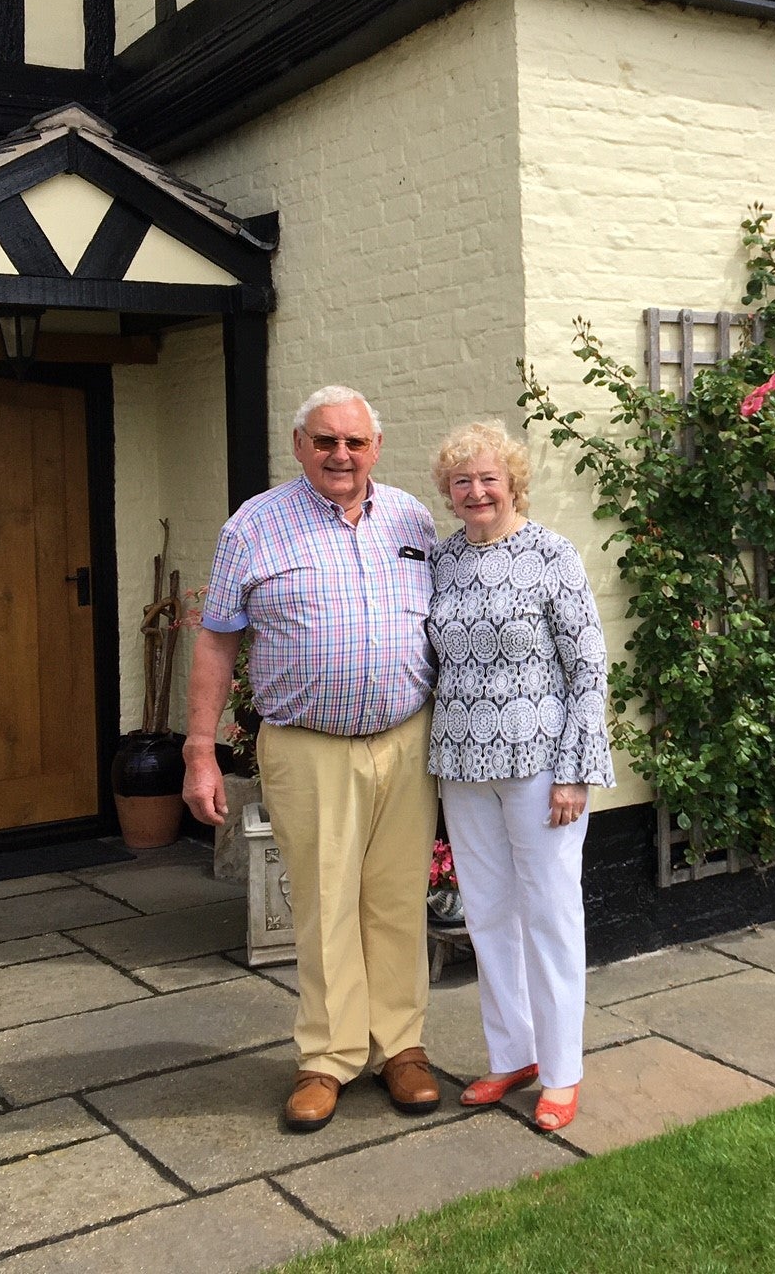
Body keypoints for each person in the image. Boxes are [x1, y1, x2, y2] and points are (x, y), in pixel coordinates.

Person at [182, 385, 442, 1132]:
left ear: (376, 448)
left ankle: (402, 1047)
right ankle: (327, 1059)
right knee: (324, 905)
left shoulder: (411, 519)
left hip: (405, 738)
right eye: (325, 441)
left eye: (355, 442)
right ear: (299, 446)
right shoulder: (255, 526)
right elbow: (216, 640)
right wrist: (200, 751)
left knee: (395, 898)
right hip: (308, 745)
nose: (341, 455)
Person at [426, 420, 614, 1134]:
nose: (476, 491)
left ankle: (562, 1071)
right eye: (462, 481)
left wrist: (574, 772)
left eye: (488, 479)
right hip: (462, 763)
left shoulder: (550, 555)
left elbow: (588, 668)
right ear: (449, 491)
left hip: (541, 768)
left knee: (550, 914)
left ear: (513, 484)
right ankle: (514, 1054)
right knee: (488, 913)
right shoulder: (442, 560)